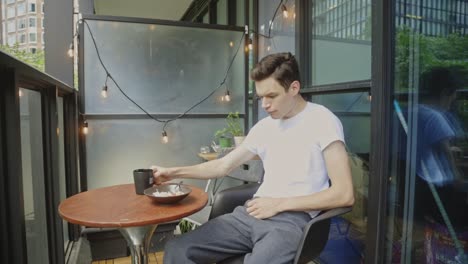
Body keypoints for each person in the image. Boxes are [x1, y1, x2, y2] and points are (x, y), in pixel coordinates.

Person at [151, 52, 355, 264]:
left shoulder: (322, 120)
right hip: (250, 213)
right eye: (260, 97)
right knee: (179, 248)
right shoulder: (265, 127)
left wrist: (279, 204)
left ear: (294, 88)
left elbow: (344, 194)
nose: (264, 105)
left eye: (272, 96)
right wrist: (172, 173)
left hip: (291, 222)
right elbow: (222, 166)